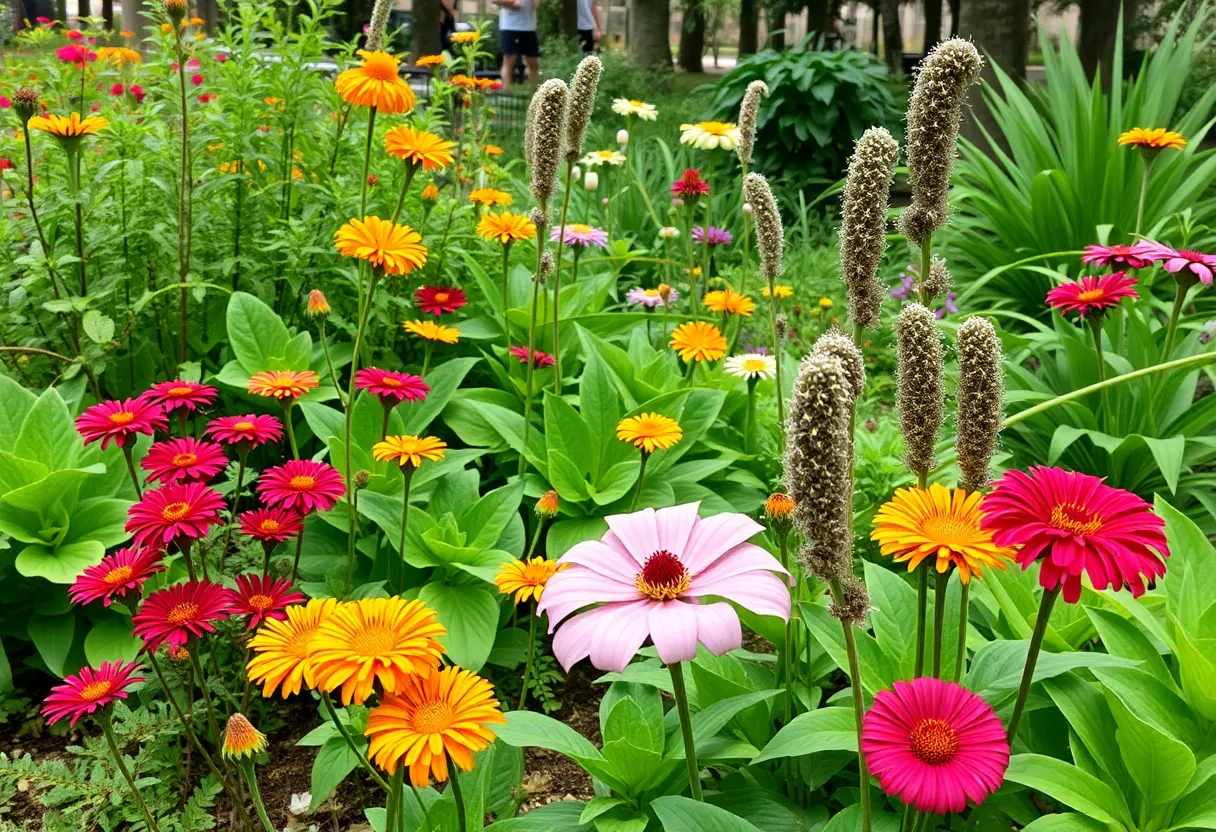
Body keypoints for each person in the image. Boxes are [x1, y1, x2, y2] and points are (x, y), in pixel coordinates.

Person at [495, 0, 539, 88]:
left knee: (533, 63)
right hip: (510, 27)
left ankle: (535, 96)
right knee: (509, 61)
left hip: (529, 28)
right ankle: (507, 95)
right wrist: (511, 2)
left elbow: (536, 4)